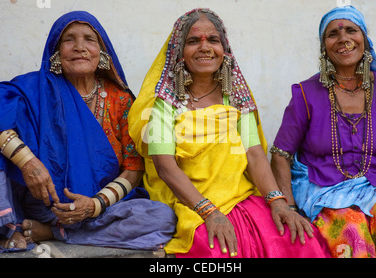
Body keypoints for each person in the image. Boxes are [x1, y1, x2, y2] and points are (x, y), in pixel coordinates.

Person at [128, 8, 330, 258]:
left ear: (224, 50)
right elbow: (165, 167)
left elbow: (255, 155)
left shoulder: (235, 97)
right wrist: (210, 213)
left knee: (301, 241)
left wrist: (279, 202)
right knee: (220, 252)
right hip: (190, 204)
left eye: (213, 40)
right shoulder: (164, 104)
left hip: (243, 198)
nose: (205, 47)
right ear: (178, 53)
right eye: (193, 41)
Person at [0, 11, 176, 253]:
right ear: (56, 51)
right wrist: (28, 162)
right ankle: (4, 226)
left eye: (89, 39)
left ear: (102, 52)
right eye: (69, 39)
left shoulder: (119, 100)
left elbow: (134, 167)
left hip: (97, 208)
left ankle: (51, 232)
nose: (80, 47)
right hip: (41, 203)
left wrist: (94, 205)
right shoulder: (36, 89)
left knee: (162, 217)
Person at [270, 5, 376, 258]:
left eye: (351, 30)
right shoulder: (305, 94)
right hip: (325, 190)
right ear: (323, 46)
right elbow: (280, 154)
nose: (343, 39)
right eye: (333, 34)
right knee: (350, 231)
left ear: (364, 39)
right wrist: (290, 207)